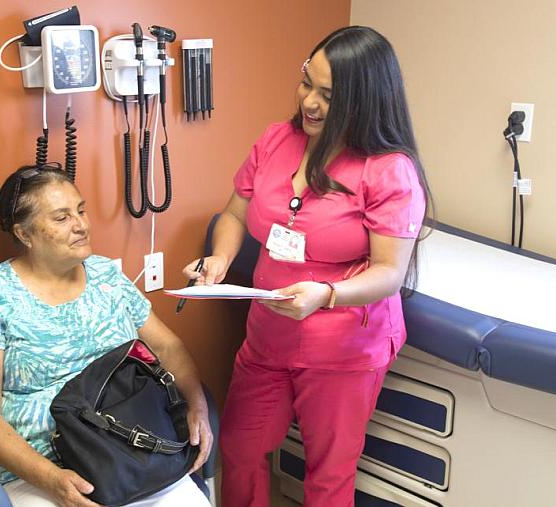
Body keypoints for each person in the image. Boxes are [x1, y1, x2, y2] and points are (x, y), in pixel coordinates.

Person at [183, 26, 431, 506]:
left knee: (328, 474)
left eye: (328, 95)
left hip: (344, 345)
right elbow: (235, 212)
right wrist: (219, 259)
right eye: (306, 84)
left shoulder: (387, 169)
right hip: (268, 336)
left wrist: (327, 294)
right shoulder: (278, 140)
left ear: (363, 101)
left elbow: (389, 273)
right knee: (239, 449)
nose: (309, 103)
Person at [0, 165, 213, 507]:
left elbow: (167, 345)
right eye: (61, 218)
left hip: (133, 448)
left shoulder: (107, 276)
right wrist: (52, 480)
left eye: (81, 210)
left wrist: (197, 404)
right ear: (25, 233)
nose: (81, 225)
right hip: (42, 470)